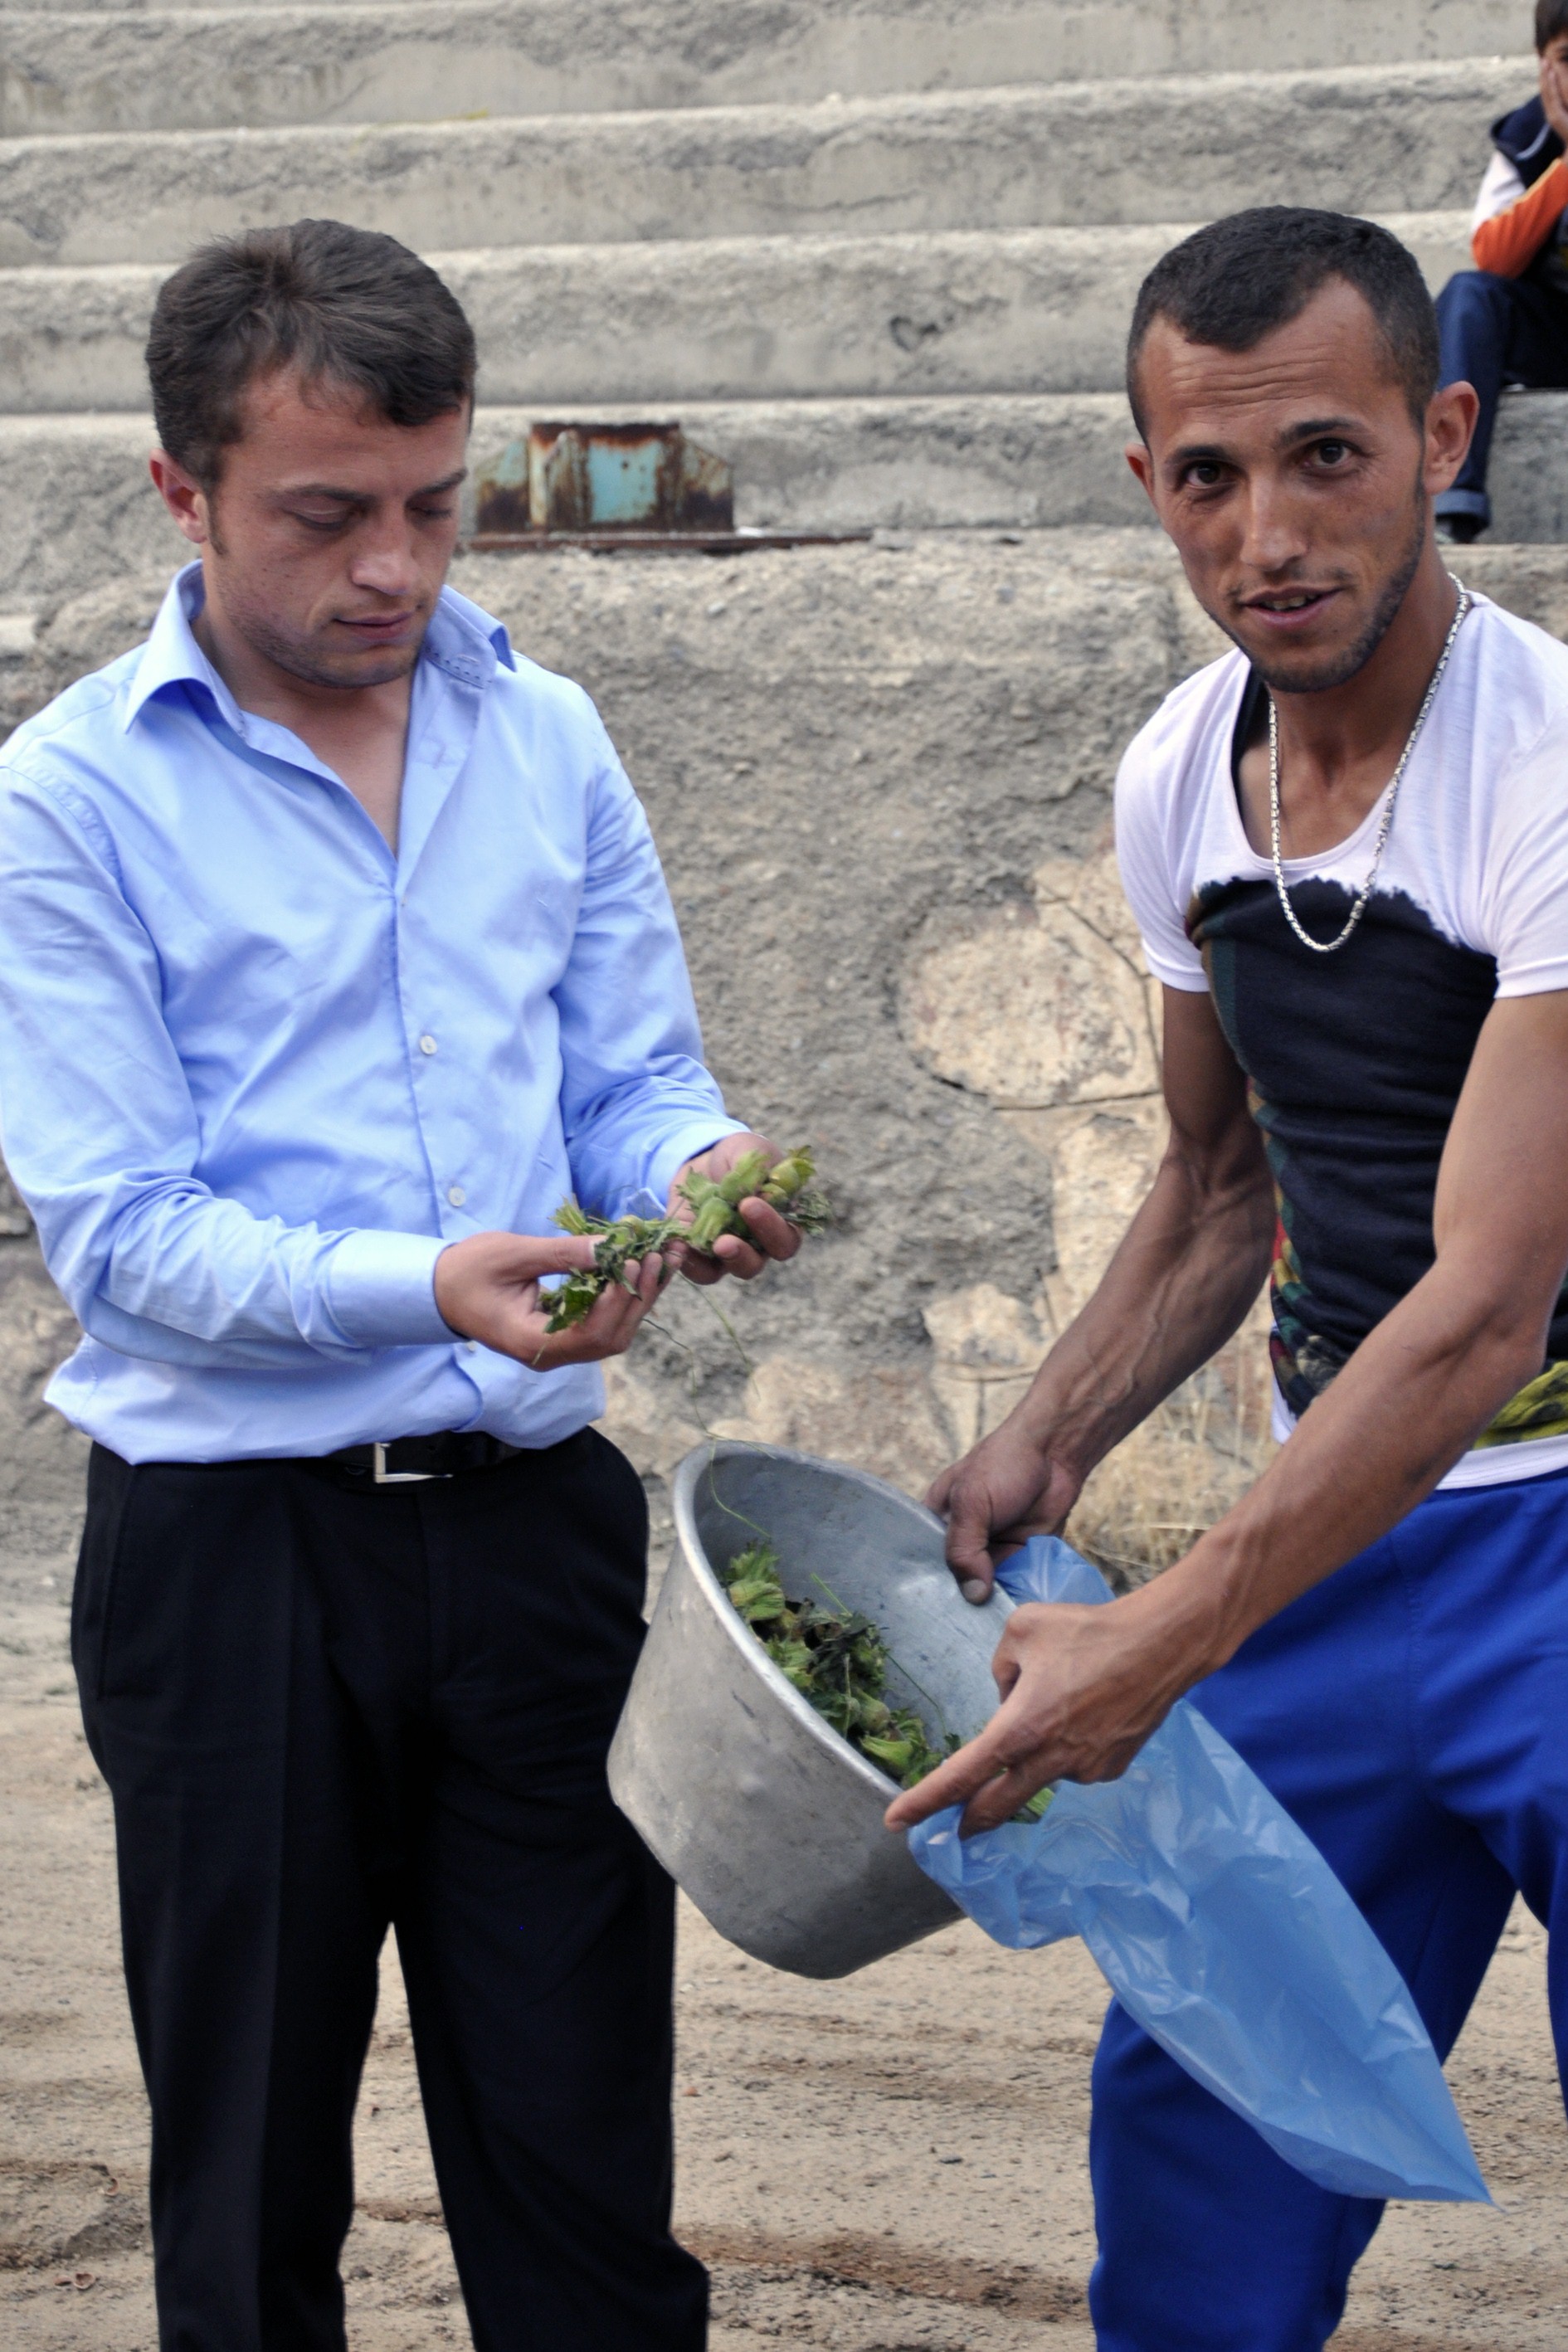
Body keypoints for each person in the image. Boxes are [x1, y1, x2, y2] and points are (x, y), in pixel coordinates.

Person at [0, 217, 803, 2351]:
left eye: (436, 506)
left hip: (537, 1543)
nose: (397, 570)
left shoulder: (547, 735)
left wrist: (699, 1172)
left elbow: (629, 1075)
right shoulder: (69, 801)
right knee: (249, 2188)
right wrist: (430, 1286)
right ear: (181, 491)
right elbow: (125, 1234)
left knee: (581, 2173)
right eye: (326, 517)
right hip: (231, 1565)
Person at [889, 205, 1568, 2350]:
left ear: (1440, 429)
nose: (1264, 532)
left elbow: (1482, 1304)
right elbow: (1213, 1182)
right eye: (1206, 475)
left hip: (1539, 1519)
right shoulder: (1181, 772)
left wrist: (1163, 1631)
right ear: (1147, 485)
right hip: (1341, 1534)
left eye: (1323, 458)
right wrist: (1049, 1433)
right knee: (1202, 2134)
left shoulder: (1548, 767)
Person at [1434, 0, 1568, 543]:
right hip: (1554, 332)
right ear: (1545, 67)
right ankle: (1451, 501)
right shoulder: (1529, 135)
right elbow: (1494, 255)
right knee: (1468, 296)